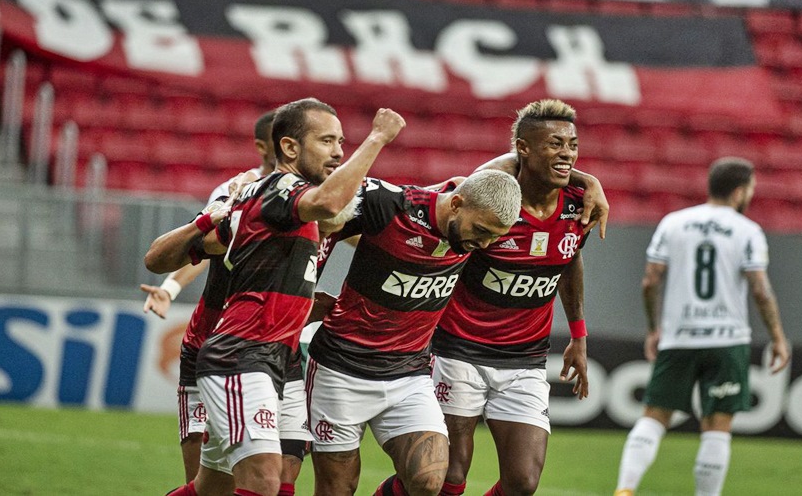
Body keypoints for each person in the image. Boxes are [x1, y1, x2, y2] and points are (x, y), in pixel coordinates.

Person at [149, 98, 405, 496]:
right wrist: (376, 138)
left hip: (281, 360)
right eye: (327, 141)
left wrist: (303, 302)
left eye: (341, 141)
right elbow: (161, 257)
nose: (338, 151)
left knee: (234, 485)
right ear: (288, 148)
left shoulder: (304, 207)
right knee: (263, 481)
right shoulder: (279, 190)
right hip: (239, 353)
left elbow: (338, 217)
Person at [305, 169, 522, 496]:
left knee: (428, 479)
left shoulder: (466, 222)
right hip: (339, 370)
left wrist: (587, 182)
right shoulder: (390, 206)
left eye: (494, 236)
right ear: (457, 204)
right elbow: (322, 215)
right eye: (480, 230)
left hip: (409, 374)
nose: (484, 243)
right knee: (337, 488)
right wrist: (300, 293)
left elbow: (520, 160)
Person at [429, 99, 593, 496]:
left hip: (525, 358)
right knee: (448, 475)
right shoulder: (492, 203)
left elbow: (569, 261)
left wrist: (578, 334)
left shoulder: (578, 206)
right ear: (523, 149)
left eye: (571, 144)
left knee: (523, 483)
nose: (567, 153)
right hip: (459, 349)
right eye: (555, 144)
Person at [614, 157, 790, 496]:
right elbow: (760, 289)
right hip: (727, 339)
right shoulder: (747, 230)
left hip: (679, 337)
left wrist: (654, 327)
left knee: (654, 417)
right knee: (717, 426)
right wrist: (778, 337)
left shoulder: (674, 222)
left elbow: (650, 281)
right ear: (740, 191)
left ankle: (625, 489)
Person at [140, 110, 278, 485]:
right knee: (207, 482)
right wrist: (170, 288)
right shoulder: (235, 191)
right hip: (215, 340)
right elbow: (202, 249)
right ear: (268, 145)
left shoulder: (318, 200)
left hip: (274, 348)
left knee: (273, 477)